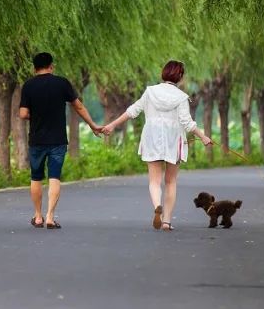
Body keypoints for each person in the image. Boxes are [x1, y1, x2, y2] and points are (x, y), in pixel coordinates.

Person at [101, 60, 213, 231]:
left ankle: (157, 207)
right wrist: (203, 137)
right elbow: (187, 122)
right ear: (180, 77)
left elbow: (133, 110)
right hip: (173, 140)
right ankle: (167, 221)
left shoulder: (150, 92)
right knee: (171, 181)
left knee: (154, 181)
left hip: (152, 138)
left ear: (164, 73)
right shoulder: (181, 97)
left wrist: (112, 125)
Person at [18, 52, 102, 229]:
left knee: (36, 177)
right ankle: (50, 217)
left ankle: (38, 216)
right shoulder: (62, 83)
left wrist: (37, 115)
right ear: (51, 66)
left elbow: (23, 114)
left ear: (34, 68)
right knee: (54, 177)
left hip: (37, 140)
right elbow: (78, 106)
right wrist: (93, 125)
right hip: (57, 140)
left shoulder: (28, 86)